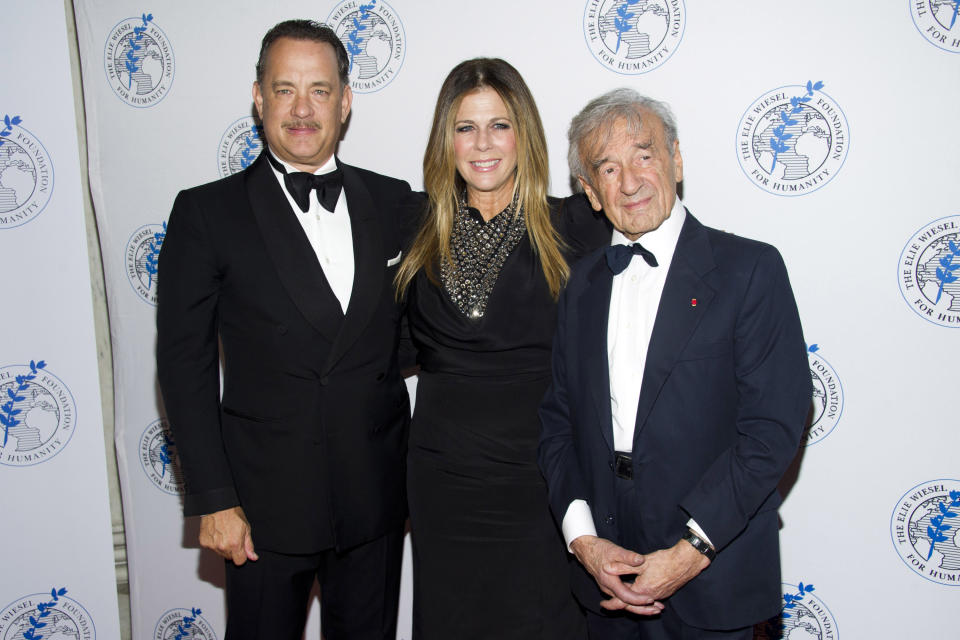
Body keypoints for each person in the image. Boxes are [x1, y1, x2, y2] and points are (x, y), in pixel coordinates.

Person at [156, 20, 415, 640]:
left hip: (372, 499)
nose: (302, 109)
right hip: (261, 510)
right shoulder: (206, 213)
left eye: (320, 90)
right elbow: (183, 367)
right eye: (285, 90)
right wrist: (214, 499)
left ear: (345, 101)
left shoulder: (394, 201)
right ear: (258, 97)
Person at [538, 88, 812, 639]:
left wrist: (690, 552)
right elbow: (557, 425)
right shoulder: (580, 286)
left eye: (644, 156)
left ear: (676, 159)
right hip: (605, 582)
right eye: (608, 168)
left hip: (715, 572)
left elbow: (773, 428)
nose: (631, 182)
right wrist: (585, 542)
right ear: (590, 193)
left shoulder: (750, 270)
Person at [394, 58, 610, 639]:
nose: (483, 143)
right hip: (441, 481)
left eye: (500, 125)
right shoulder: (414, 230)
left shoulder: (578, 225)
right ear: (447, 139)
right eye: (466, 127)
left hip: (542, 483)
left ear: (525, 135)